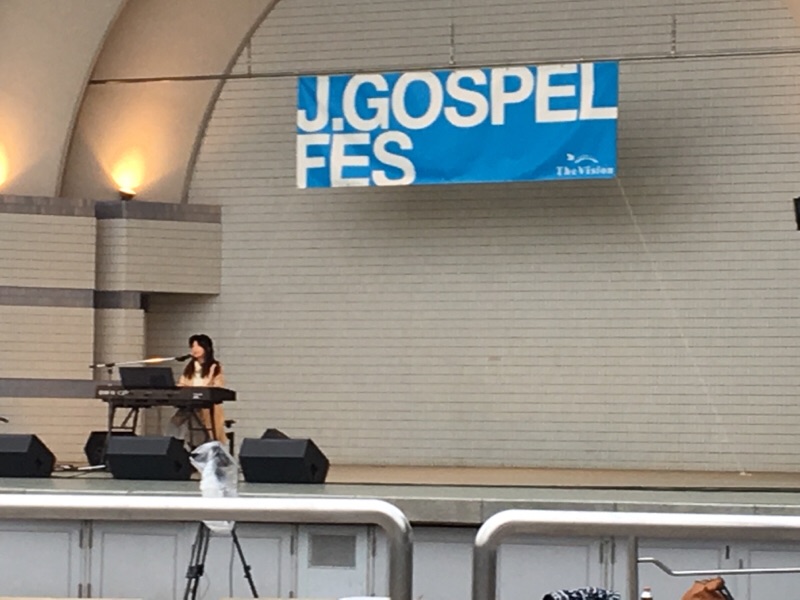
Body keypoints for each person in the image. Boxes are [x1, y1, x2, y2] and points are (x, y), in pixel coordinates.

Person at [166, 333, 228, 446]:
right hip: (189, 405)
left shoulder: (214, 366)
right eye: (192, 346)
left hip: (206, 408)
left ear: (206, 348)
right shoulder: (190, 368)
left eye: (198, 346)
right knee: (175, 423)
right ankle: (175, 446)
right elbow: (182, 383)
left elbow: (218, 386)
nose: (194, 349)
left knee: (202, 430)